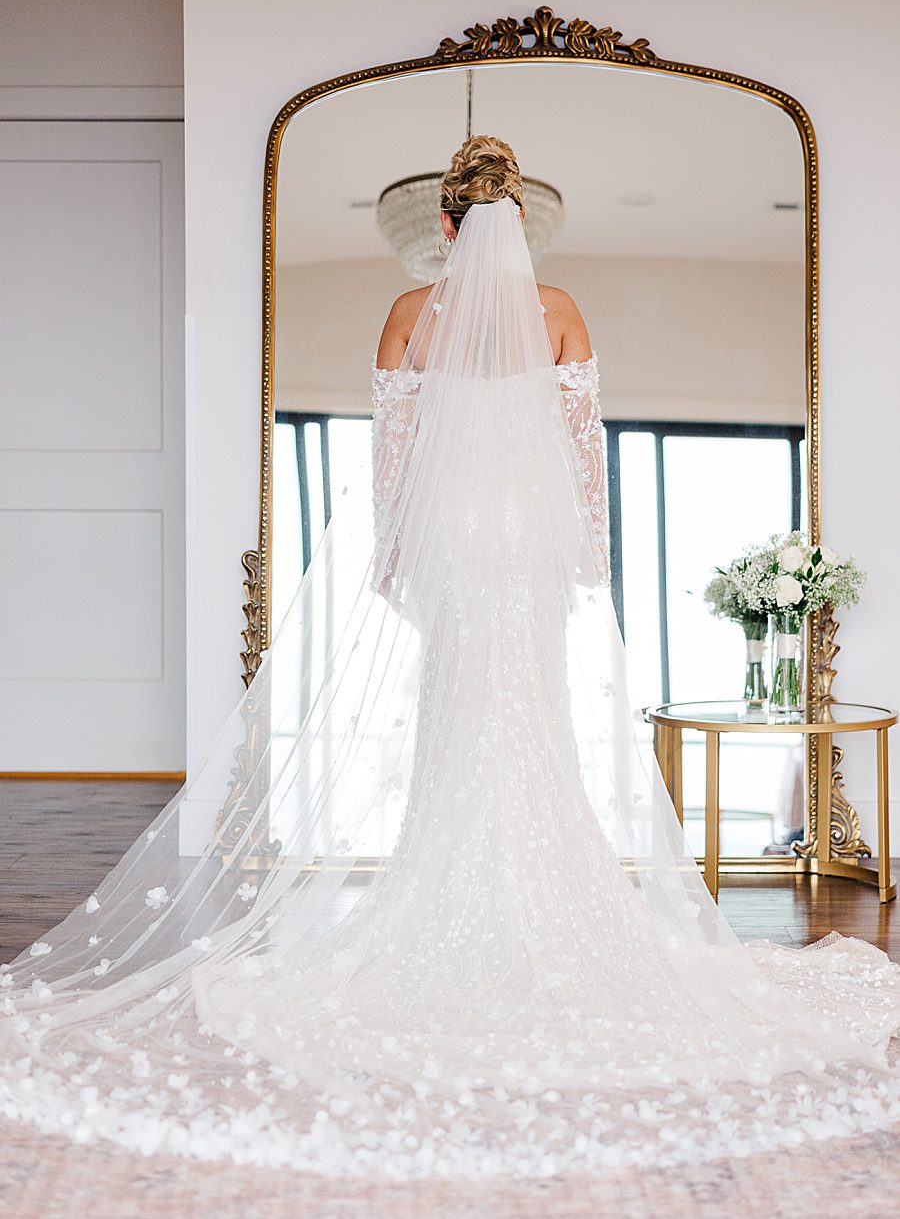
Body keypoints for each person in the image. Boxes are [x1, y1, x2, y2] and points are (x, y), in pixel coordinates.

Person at [1, 136, 899, 1179]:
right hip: (528, 534)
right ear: (520, 222)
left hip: (453, 536)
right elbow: (581, 441)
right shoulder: (560, 308)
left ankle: (455, 889)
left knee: (459, 705)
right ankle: (540, 900)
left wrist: (392, 551)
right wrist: (589, 554)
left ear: (442, 226)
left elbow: (390, 452)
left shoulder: (404, 315)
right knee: (535, 708)